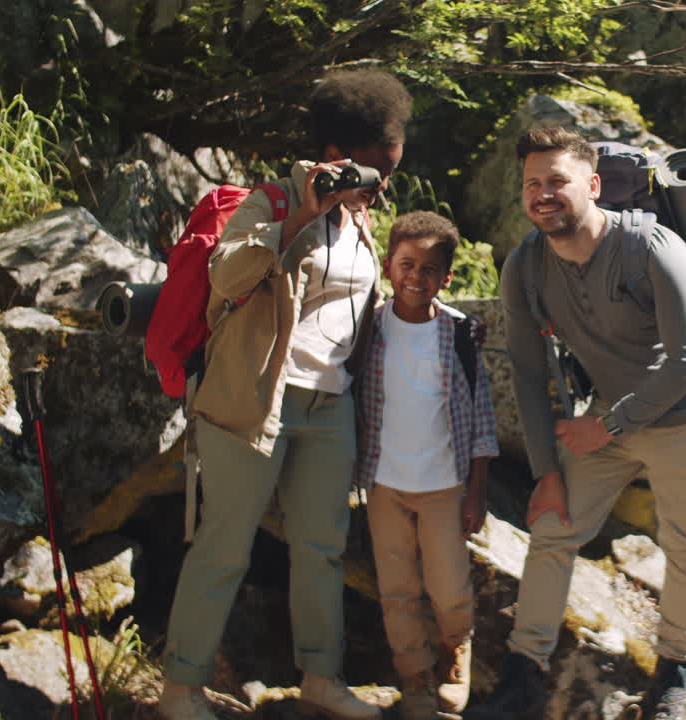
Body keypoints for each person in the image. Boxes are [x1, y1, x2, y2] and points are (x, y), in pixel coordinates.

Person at [157, 69, 412, 720]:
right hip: (253, 400)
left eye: (391, 173)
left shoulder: (361, 221)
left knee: (322, 550)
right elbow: (228, 274)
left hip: (330, 404)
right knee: (224, 545)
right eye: (378, 171)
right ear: (335, 157)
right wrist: (304, 214)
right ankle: (181, 689)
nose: (383, 186)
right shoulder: (271, 201)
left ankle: (320, 680)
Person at [467, 125, 686, 720]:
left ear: (591, 184)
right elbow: (530, 377)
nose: (543, 194)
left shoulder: (655, 248)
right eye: (532, 183)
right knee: (553, 529)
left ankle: (672, 677)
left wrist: (607, 427)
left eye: (557, 180)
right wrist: (545, 473)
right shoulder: (526, 267)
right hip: (607, 421)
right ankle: (521, 678)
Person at [354, 210, 498, 720]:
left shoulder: (460, 335)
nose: (417, 277)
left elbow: (480, 414)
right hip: (384, 484)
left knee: (449, 586)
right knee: (397, 589)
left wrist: (476, 490)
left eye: (430, 269)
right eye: (407, 265)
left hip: (443, 485)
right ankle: (413, 675)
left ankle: (454, 652)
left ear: (447, 277)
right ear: (389, 265)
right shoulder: (368, 329)